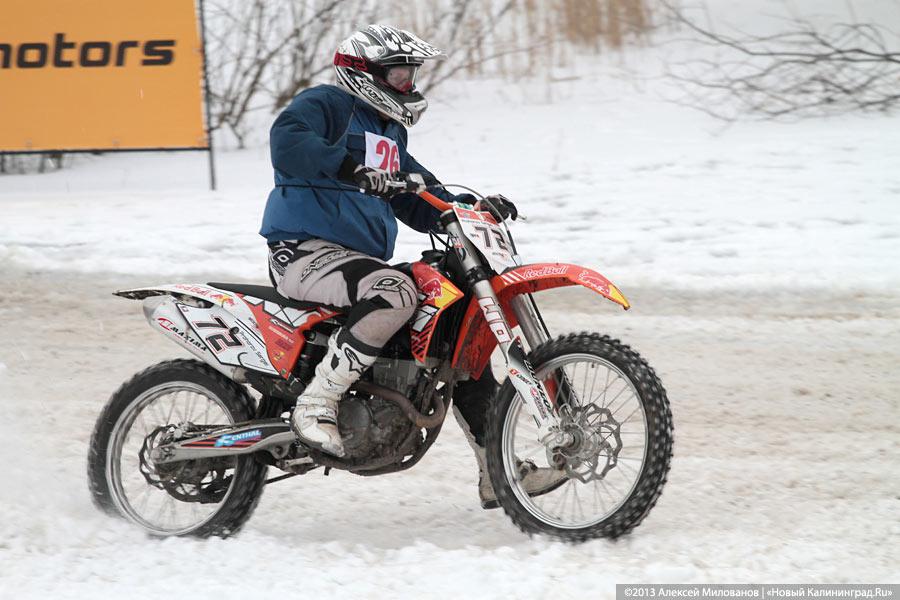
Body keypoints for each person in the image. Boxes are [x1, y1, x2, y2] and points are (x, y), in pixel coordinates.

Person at [261, 25, 559, 508]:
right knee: (397, 290)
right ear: (363, 73)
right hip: (304, 252)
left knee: (454, 322)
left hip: (355, 262)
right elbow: (287, 142)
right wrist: (347, 169)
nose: (407, 82)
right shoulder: (326, 105)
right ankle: (316, 403)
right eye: (398, 73)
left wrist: (472, 207)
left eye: (410, 74)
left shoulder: (387, 131)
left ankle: (498, 471)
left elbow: (423, 197)